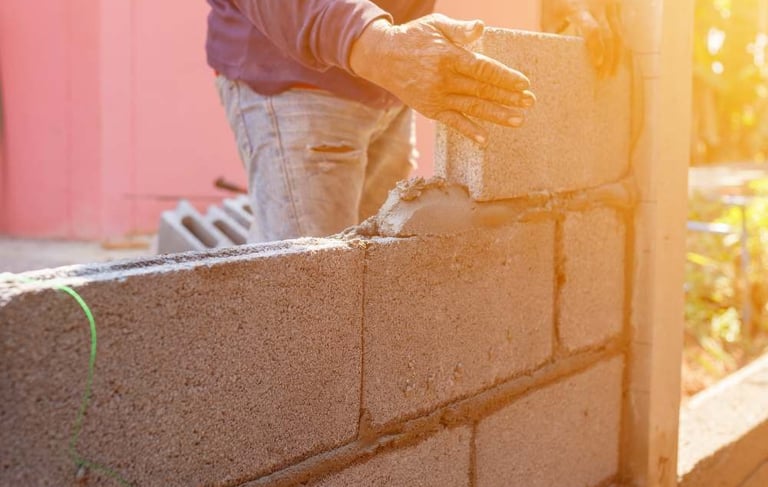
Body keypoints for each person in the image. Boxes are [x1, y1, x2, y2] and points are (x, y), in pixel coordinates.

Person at [206, 0, 621, 243]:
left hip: (387, 77)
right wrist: (376, 45)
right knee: (308, 302)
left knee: (371, 286)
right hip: (297, 79)